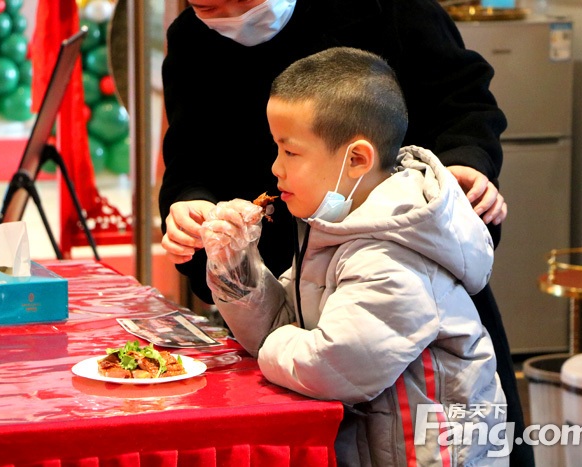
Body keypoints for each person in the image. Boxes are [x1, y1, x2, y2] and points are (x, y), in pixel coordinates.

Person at [158, 1, 532, 465]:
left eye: (288, 154)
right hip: (309, 318)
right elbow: (189, 162)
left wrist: (461, 171)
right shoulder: (193, 42)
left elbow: (331, 363)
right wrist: (228, 258)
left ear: (356, 159)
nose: (273, 171)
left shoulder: (392, 264)